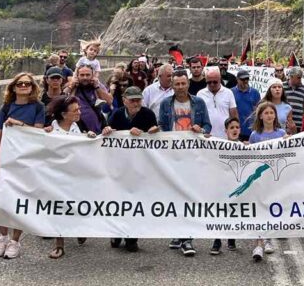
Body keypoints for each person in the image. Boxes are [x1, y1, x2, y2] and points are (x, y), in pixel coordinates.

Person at [0, 73, 46, 259]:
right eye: (19, 84)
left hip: (27, 160)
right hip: (7, 159)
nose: (23, 86)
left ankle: (15, 241)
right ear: (13, 87)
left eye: (27, 84)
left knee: (22, 201)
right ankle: (2, 236)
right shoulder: (6, 107)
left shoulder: (38, 107)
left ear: (32, 87)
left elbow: (38, 133)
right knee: (1, 199)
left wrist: (19, 124)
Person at [159, 69, 212, 258]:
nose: (180, 87)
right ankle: (178, 232)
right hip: (173, 157)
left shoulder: (199, 102)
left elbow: (208, 126)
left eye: (183, 83)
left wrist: (201, 129)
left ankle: (187, 237)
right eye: (177, 84)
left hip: (193, 156)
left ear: (188, 84)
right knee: (175, 195)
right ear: (172, 85)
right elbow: (162, 128)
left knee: (189, 195)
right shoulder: (166, 103)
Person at [102, 86, 158, 253]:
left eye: (138, 100)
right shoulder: (118, 114)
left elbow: (155, 135)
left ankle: (132, 237)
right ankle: (116, 233)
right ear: (124, 100)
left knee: (136, 201)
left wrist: (151, 132)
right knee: (118, 200)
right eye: (132, 100)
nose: (135, 103)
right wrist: (108, 130)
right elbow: (109, 133)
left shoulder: (148, 114)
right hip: (120, 164)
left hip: (140, 166)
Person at [43, 95, 95, 259]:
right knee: (58, 208)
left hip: (76, 174)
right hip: (57, 175)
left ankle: (79, 229)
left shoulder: (78, 125)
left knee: (77, 204)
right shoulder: (50, 130)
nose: (79, 112)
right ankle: (59, 244)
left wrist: (91, 136)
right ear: (64, 114)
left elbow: (90, 137)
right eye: (75, 110)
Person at [247, 102, 285, 261]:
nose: (269, 115)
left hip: (275, 177)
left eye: (272, 112)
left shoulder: (281, 133)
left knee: (271, 208)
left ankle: (268, 238)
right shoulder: (255, 135)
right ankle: (258, 244)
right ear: (260, 116)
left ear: (275, 115)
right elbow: (250, 156)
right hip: (260, 177)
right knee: (259, 208)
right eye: (266, 113)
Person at [210, 118, 241, 256]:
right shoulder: (219, 145)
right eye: (232, 127)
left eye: (237, 127)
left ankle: (231, 239)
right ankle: (217, 241)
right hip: (221, 185)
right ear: (226, 131)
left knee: (234, 211)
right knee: (220, 211)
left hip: (237, 185)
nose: (235, 130)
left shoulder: (244, 147)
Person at [65, 64, 112, 134]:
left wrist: (97, 86)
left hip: (97, 129)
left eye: (88, 75)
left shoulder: (98, 86)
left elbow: (109, 101)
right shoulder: (72, 86)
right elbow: (62, 100)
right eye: (82, 75)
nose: (85, 78)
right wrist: (72, 86)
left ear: (92, 76)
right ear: (77, 76)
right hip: (77, 130)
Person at [197, 66, 238, 138]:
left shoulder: (228, 93)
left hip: (225, 137)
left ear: (220, 79)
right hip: (206, 137)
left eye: (215, 82)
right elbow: (197, 116)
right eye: (209, 82)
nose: (212, 84)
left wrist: (234, 134)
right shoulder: (200, 94)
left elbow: (234, 115)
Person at [232, 69, 261, 141]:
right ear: (237, 79)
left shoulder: (255, 92)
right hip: (236, 130)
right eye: (242, 79)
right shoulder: (231, 92)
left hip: (251, 130)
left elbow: (258, 110)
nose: (245, 81)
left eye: (247, 79)